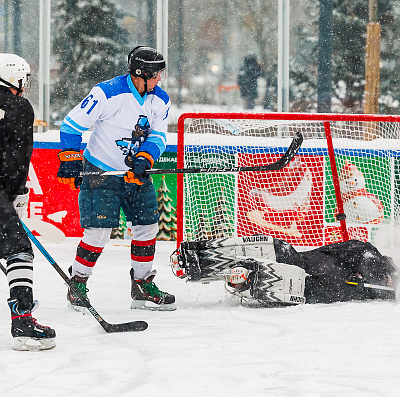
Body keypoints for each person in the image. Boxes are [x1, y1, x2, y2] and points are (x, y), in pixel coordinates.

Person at [57, 46, 175, 311]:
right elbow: (71, 125)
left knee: (147, 227)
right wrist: (71, 159)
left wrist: (145, 158)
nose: (160, 79)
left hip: (134, 175)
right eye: (157, 74)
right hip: (101, 171)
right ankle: (78, 281)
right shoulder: (107, 93)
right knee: (98, 233)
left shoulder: (160, 99)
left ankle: (142, 285)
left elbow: (158, 135)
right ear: (140, 73)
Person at [0, 53, 56, 351]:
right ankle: (23, 323)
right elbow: (15, 160)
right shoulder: (17, 106)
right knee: (18, 249)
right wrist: (15, 197)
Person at [171, 235, 398, 306]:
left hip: (299, 274)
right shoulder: (367, 256)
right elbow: (378, 279)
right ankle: (204, 258)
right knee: (298, 269)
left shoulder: (367, 282)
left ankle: (243, 274)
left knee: (302, 275)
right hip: (296, 266)